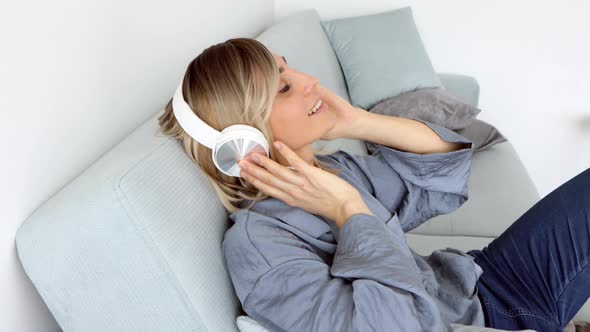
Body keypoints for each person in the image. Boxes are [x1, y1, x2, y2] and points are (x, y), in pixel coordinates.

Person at [158, 37, 590, 332]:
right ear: (245, 140)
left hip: (480, 284)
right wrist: (350, 213)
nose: (311, 82)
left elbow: (443, 176)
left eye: (290, 69)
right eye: (285, 87)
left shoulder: (336, 171)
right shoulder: (261, 247)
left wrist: (357, 121)